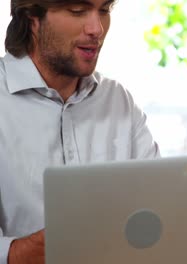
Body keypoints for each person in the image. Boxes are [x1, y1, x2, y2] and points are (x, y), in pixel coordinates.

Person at [0, 0, 159, 263]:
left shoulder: (118, 100)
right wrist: (16, 252)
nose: (97, 29)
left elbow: (158, 207)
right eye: (77, 11)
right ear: (32, 18)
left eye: (105, 10)